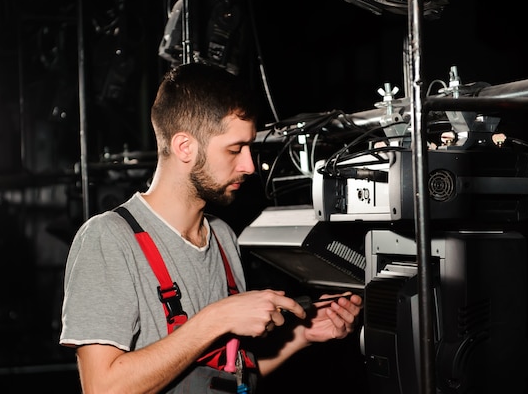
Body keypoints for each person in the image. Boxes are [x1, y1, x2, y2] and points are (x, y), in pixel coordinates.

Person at [59, 62, 363, 394]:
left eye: (248, 148)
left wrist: (301, 335)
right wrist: (216, 319)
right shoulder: (109, 239)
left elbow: (229, 374)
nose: (248, 166)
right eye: (234, 149)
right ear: (184, 147)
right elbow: (103, 388)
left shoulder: (222, 237)